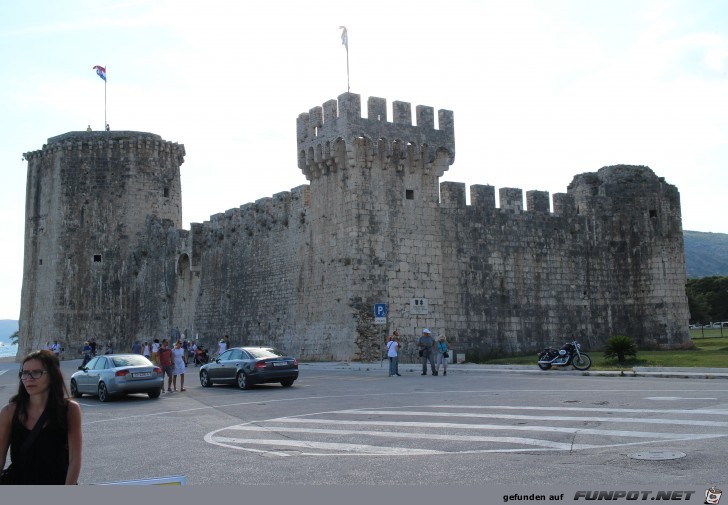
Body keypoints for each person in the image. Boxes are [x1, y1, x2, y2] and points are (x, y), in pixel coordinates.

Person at [0, 349, 82, 485]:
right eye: (25, 373)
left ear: (53, 375)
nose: (28, 379)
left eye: (36, 373)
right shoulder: (9, 412)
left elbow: (75, 458)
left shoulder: (69, 409)